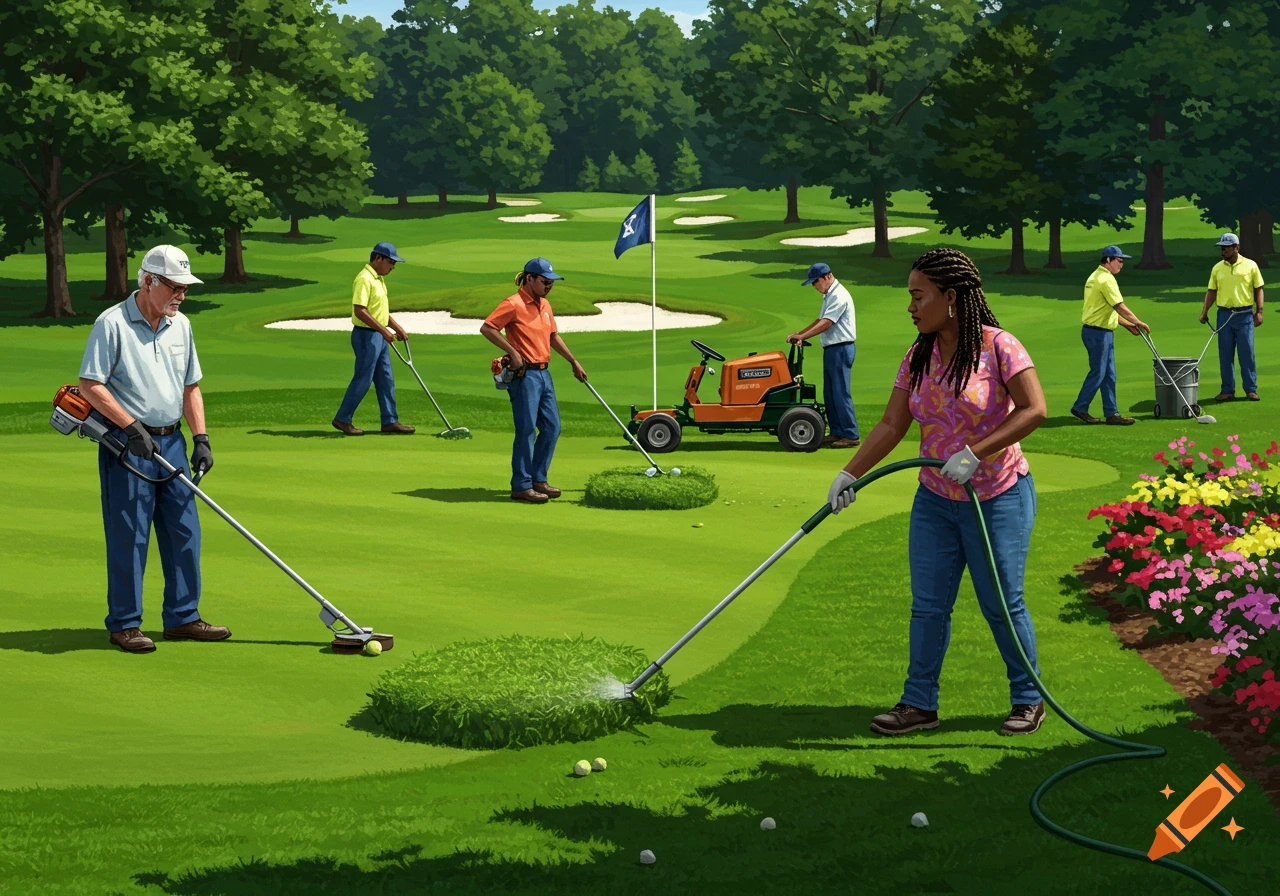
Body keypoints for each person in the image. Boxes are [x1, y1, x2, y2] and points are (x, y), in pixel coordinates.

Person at [825, 248, 1048, 737]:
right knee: (928, 605)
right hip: (934, 501)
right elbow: (890, 424)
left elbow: (1034, 410)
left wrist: (976, 453)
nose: (910, 306)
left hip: (998, 497)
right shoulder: (918, 355)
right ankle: (919, 704)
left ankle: (1028, 699)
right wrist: (849, 474)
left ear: (951, 297)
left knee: (1001, 603)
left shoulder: (1000, 347)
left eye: (918, 295)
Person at [78, 245, 231, 653]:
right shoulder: (111, 324)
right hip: (127, 445)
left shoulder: (180, 325)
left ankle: (183, 617)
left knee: (184, 530)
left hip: (173, 441)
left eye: (186, 288)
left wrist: (201, 438)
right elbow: (89, 386)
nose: (182, 295)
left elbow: (190, 386)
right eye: (175, 287)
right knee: (129, 534)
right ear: (148, 281)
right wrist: (130, 426)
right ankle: (125, 624)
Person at [480, 258, 588, 504]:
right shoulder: (513, 304)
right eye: (544, 281)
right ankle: (521, 485)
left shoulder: (545, 304)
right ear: (529, 278)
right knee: (527, 429)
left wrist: (573, 361)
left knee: (552, 427)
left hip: (544, 373)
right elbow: (488, 328)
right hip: (524, 375)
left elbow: (553, 336)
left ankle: (539, 479)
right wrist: (513, 352)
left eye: (551, 282)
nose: (549, 286)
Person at [332, 241, 415, 435]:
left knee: (386, 378)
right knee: (364, 378)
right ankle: (343, 418)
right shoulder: (364, 279)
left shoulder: (379, 279)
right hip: (365, 336)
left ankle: (390, 421)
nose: (393, 267)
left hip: (377, 336)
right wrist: (384, 331)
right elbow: (360, 311)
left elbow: (380, 312)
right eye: (391, 262)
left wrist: (396, 327)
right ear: (378, 258)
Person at [1070, 245, 1150, 425]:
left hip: (1098, 330)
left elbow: (1106, 309)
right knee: (1099, 372)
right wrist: (1137, 321)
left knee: (1109, 374)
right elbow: (1119, 306)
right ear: (1108, 260)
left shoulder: (1095, 276)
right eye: (1119, 261)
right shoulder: (1106, 279)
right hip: (1098, 333)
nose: (1122, 265)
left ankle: (1111, 413)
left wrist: (1128, 325)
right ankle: (1081, 407)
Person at [789, 262, 859, 448]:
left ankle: (851, 434)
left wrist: (802, 336)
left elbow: (827, 323)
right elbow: (819, 320)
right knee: (830, 393)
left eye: (816, 282)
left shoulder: (839, 295)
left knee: (840, 392)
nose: (814, 286)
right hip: (832, 349)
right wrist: (800, 334)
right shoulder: (829, 295)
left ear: (828, 276)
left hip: (841, 348)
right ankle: (837, 431)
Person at [1200, 232, 1265, 402]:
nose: (1223, 251)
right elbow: (1211, 292)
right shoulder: (1217, 268)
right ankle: (1227, 390)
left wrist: (1259, 311)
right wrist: (1204, 311)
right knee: (1225, 354)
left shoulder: (1250, 266)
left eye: (1226, 248)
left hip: (1244, 315)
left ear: (1236, 248)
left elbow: (1258, 289)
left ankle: (1251, 389)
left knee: (1247, 353)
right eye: (1222, 248)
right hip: (1224, 315)